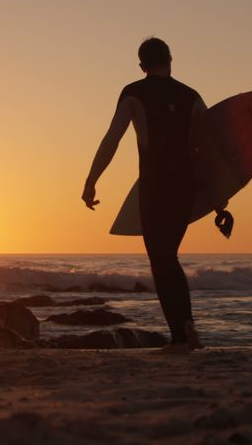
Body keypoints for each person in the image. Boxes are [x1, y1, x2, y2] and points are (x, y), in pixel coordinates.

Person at [82, 37, 227, 353]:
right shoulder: (191, 97)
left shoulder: (134, 93)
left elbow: (112, 140)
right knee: (169, 256)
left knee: (161, 259)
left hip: (155, 185)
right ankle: (185, 329)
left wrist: (92, 180)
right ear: (170, 59)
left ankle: (181, 334)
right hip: (186, 186)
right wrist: (217, 197)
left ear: (141, 65)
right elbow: (210, 151)